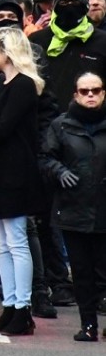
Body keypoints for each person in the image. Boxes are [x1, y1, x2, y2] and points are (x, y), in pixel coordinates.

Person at [0, 27, 46, 336]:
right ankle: (9, 304)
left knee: (16, 241)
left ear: (8, 50)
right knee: (1, 243)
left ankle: (23, 308)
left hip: (16, 171)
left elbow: (3, 128)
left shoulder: (24, 85)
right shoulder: (1, 84)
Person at [41, 71, 106, 341]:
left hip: (103, 207)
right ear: (75, 95)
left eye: (95, 90)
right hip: (73, 207)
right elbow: (44, 157)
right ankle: (88, 324)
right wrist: (58, 171)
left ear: (103, 93)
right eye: (84, 91)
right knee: (81, 272)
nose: (90, 95)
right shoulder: (61, 126)